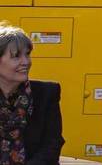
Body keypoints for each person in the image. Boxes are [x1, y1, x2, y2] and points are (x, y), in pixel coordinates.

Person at [0, 24, 62, 164]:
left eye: (27, 54)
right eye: (16, 56)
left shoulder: (46, 93)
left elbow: (52, 145)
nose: (26, 62)